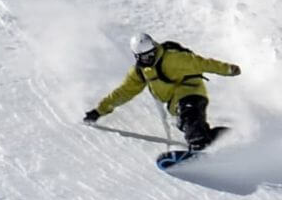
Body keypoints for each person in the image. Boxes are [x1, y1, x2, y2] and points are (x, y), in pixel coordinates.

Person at [83, 33, 241, 150]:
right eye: (144, 57)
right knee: (192, 126)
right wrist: (99, 111)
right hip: (174, 104)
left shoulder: (172, 58)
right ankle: (228, 139)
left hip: (191, 92)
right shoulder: (139, 72)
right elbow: (123, 92)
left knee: (188, 113)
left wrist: (228, 69)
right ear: (137, 56)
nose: (149, 58)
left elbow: (203, 64)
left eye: (151, 53)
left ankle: (198, 146)